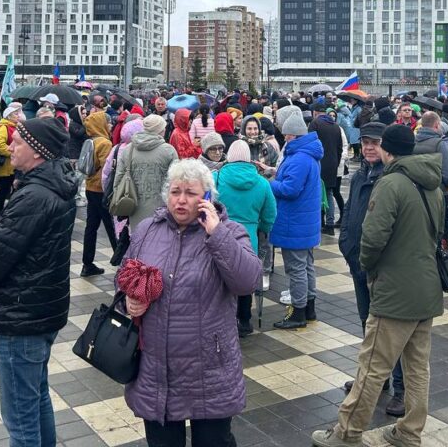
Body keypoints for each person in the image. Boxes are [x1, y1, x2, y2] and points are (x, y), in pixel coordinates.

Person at [312, 124, 443, 447]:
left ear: (388, 149)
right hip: (427, 286)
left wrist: (367, 267)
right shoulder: (433, 185)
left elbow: (372, 239)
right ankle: (410, 431)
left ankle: (347, 432)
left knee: (373, 365)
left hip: (394, 289)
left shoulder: (390, 184)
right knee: (417, 368)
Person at [120, 159, 262, 446]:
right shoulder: (148, 229)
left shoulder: (229, 231)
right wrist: (129, 299)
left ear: (207, 197)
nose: (181, 200)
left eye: (191, 193)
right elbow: (125, 275)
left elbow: (248, 282)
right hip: (158, 370)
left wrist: (216, 234)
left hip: (209, 370)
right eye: (175, 192)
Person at [0, 118, 77, 447]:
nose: (10, 146)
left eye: (18, 142)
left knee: (20, 418)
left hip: (21, 315)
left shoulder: (35, 195)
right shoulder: (53, 185)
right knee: (36, 398)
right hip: (40, 309)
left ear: (38, 152)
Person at [337, 121, 404, 413]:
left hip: (381, 267)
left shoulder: (390, 178)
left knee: (390, 329)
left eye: (374, 143)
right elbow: (352, 210)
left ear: (385, 146)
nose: (368, 147)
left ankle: (400, 388)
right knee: (367, 324)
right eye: (364, 142)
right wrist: (346, 243)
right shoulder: (362, 173)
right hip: (358, 260)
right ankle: (374, 379)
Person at [215, 140, 277, 337]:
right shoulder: (262, 183)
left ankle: (224, 318)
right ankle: (244, 320)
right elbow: (270, 214)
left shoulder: (216, 178)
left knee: (221, 277)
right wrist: (263, 229)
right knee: (245, 276)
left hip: (220, 232)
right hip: (249, 235)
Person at [270, 111, 324, 329]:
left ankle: (298, 313)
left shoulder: (299, 157)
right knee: (307, 266)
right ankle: (309, 309)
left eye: (286, 136)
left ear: (294, 135)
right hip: (304, 221)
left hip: (294, 222)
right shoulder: (307, 154)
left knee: (296, 269)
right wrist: (275, 171)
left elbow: (290, 189)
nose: (284, 139)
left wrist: (268, 183)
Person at [118, 114, 179, 230]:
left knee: (137, 240)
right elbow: (175, 182)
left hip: (133, 205)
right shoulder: (168, 150)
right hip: (162, 208)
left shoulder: (128, 149)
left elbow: (119, 178)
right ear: (161, 130)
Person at [81, 111, 115, 277]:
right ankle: (120, 260)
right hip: (101, 190)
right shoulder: (105, 143)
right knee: (111, 226)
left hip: (89, 187)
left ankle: (87, 264)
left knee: (91, 227)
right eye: (108, 123)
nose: (110, 125)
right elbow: (107, 170)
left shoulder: (91, 140)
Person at [309, 100, 344, 234]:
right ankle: (330, 224)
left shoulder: (315, 123)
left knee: (317, 193)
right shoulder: (335, 126)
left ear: (315, 113)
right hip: (332, 164)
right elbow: (340, 148)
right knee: (329, 193)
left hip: (318, 163)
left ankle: (319, 223)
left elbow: (310, 144)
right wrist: (336, 162)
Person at [0, 103, 23, 217]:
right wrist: (12, 153)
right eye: (15, 114)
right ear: (9, 116)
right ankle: (0, 212)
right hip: (5, 165)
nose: (18, 115)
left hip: (13, 165)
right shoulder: (4, 127)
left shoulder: (16, 126)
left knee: (13, 188)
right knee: (4, 189)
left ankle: (10, 210)